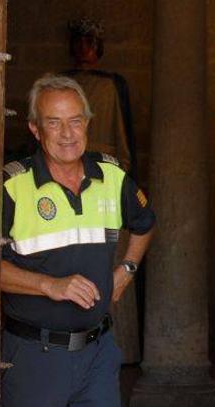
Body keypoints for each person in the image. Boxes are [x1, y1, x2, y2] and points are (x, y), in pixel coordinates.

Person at [0, 74, 154, 407]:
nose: (67, 134)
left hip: (97, 354)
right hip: (33, 356)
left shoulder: (113, 176)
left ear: (87, 121)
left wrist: (127, 270)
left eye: (75, 121)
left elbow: (144, 225)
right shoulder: (11, 186)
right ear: (34, 128)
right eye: (53, 122)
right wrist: (50, 285)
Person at [62, 17, 142, 364]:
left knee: (111, 257)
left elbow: (123, 140)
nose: (84, 49)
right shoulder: (60, 84)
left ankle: (117, 343)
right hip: (63, 177)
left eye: (90, 42)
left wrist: (121, 181)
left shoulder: (111, 86)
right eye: (80, 41)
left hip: (103, 180)